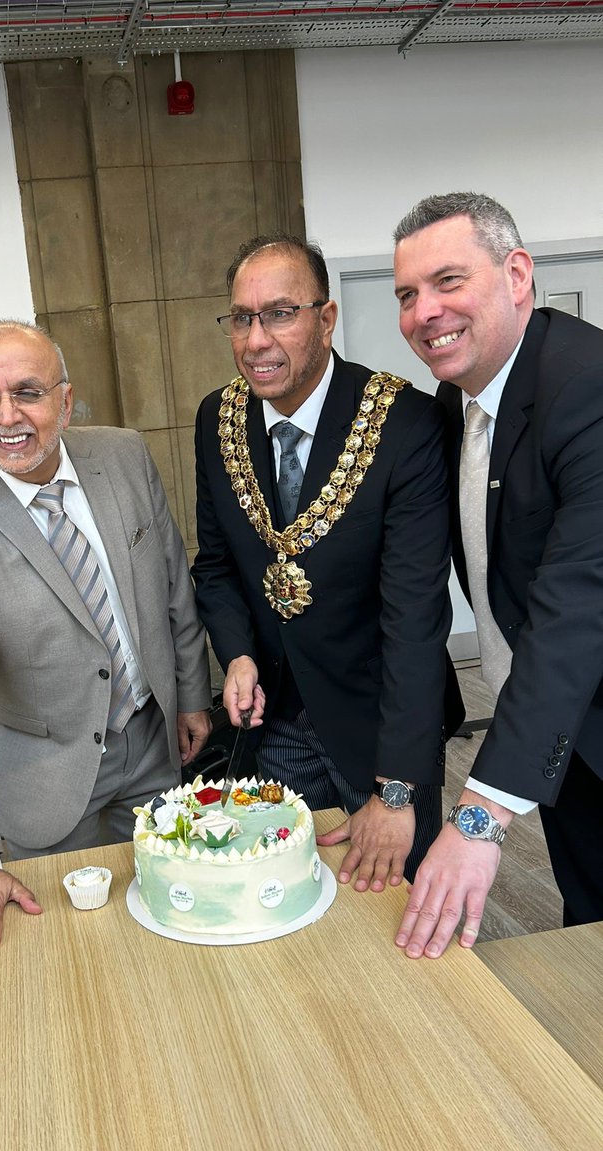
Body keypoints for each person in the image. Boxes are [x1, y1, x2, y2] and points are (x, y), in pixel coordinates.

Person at [0, 320, 212, 955]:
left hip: (155, 746)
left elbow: (173, 582)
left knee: (177, 916)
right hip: (49, 778)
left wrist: (191, 694)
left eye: (28, 392)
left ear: (65, 402)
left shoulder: (124, 455)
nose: (4, 416)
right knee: (77, 952)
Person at [192, 233, 463, 895]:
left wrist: (396, 793)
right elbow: (217, 565)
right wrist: (237, 656)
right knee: (272, 894)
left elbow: (414, 622)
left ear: (326, 317)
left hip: (382, 725)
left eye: (280, 313)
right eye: (242, 318)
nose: (256, 339)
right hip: (275, 716)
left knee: (401, 910)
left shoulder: (405, 423)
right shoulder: (218, 419)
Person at [392, 192, 603, 957]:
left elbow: (576, 613)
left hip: (576, 689)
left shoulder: (588, 387)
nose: (425, 311)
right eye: (408, 295)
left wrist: (478, 816)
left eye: (448, 281)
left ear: (517, 274)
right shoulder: (458, 401)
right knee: (587, 917)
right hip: (561, 733)